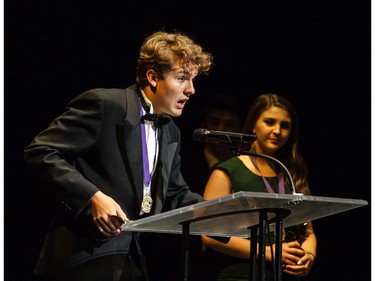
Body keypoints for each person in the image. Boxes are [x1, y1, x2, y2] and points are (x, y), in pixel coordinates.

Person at [24, 30, 213, 281]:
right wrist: (92, 196)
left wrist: (227, 214)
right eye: (182, 79)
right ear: (153, 77)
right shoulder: (106, 104)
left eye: (193, 80)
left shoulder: (171, 132)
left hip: (131, 258)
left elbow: (175, 194)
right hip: (83, 257)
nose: (191, 90)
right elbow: (41, 152)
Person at [201, 94, 317, 281]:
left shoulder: (291, 173)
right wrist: (268, 252)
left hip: (285, 273)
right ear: (253, 124)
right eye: (270, 122)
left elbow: (308, 232)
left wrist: (308, 256)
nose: (277, 131)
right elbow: (208, 235)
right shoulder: (227, 171)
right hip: (242, 274)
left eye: (284, 125)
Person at [142, 94, 245, 281]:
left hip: (226, 263)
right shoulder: (184, 164)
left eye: (229, 125)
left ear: (239, 129)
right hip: (181, 261)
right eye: (214, 122)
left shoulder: (243, 171)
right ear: (204, 124)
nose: (221, 130)